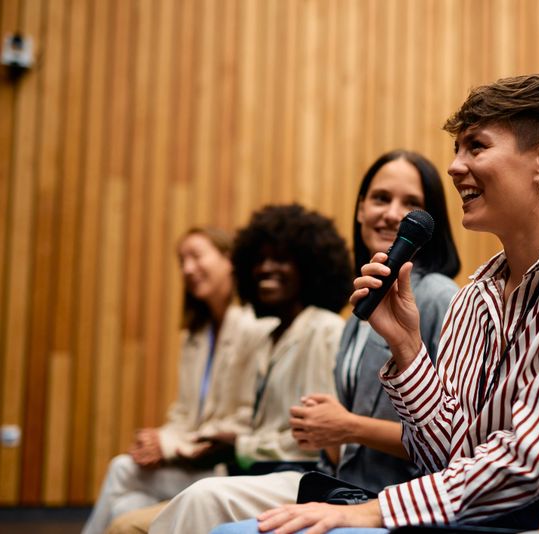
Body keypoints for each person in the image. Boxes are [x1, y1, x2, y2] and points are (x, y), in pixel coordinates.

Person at [219, 74, 539, 534]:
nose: (454, 166)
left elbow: (529, 463)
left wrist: (373, 511)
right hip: (464, 520)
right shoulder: (476, 295)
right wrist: (407, 346)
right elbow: (443, 456)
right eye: (457, 149)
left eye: (476, 147)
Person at [148, 150, 462, 533]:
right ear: (360, 210)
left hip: (393, 497)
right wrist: (324, 427)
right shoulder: (358, 315)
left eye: (410, 203)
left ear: (429, 222)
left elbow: (453, 440)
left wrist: (347, 426)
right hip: (337, 484)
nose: (392, 213)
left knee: (204, 497)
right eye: (381, 198)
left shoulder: (439, 297)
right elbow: (339, 441)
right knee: (185, 496)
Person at [106, 204, 353, 533]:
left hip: (301, 476)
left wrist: (239, 447)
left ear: (309, 266)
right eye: (260, 260)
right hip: (256, 473)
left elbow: (320, 439)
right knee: (125, 515)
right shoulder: (270, 337)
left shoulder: (323, 329)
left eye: (280, 259)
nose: (266, 268)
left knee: (177, 505)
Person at [82, 227, 271, 534]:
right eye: (182, 261)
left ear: (229, 260)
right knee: (123, 507)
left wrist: (168, 444)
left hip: (225, 469)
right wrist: (156, 439)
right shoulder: (194, 336)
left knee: (121, 470)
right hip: (191, 463)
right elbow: (183, 414)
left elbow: (246, 420)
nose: (187, 269)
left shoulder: (254, 328)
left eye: (196, 256)